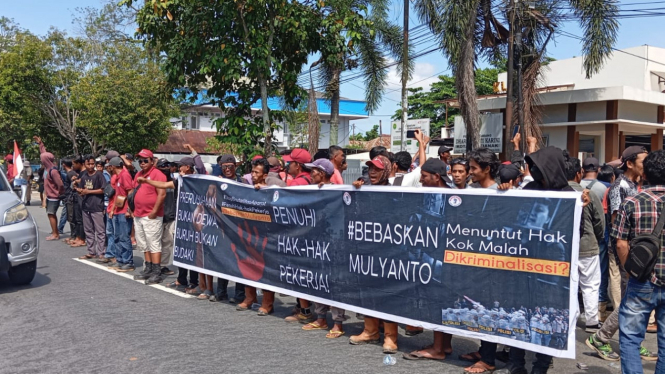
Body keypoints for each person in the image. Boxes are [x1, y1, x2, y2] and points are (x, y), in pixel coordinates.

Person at [494, 146, 576, 374]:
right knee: (519, 312)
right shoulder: (529, 188)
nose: (534, 170)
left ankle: (541, 364)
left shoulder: (570, 196)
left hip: (551, 271)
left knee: (546, 318)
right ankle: (516, 361)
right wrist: (506, 194)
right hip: (521, 266)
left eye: (538, 166)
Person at [587, 146, 657, 362]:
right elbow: (618, 225)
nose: (645, 165)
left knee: (635, 300)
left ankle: (626, 340)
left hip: (640, 254)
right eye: (642, 161)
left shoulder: (635, 185)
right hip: (628, 254)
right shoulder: (620, 187)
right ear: (629, 163)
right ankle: (602, 338)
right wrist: (626, 260)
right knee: (633, 300)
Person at [614, 149, 665, 374]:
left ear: (644, 174)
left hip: (642, 280)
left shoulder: (632, 202)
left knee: (631, 339)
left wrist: (629, 271)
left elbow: (621, 244)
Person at [403, 158, 454, 361]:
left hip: (440, 258)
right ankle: (444, 345)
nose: (421, 180)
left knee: (437, 301)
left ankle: (438, 349)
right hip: (436, 255)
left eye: (424, 177)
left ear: (436, 177)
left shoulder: (449, 196)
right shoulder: (436, 194)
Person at [349, 155, 400, 354]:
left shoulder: (395, 193)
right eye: (370, 168)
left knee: (388, 294)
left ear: (386, 170)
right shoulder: (362, 189)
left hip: (388, 253)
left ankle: (390, 337)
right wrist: (354, 192)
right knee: (366, 289)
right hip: (365, 250)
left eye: (377, 169)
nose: (372, 172)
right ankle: (370, 331)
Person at [460, 148, 501, 374]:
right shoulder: (471, 190)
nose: (470, 172)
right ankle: (483, 350)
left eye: (474, 168)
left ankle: (488, 359)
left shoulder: (503, 192)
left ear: (487, 169)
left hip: (493, 262)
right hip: (475, 259)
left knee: (488, 307)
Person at [297, 158, 347, 338]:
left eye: (314, 171)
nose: (311, 174)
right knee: (317, 279)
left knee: (334, 282)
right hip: (316, 243)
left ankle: (338, 323)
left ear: (323, 174)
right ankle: (320, 318)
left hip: (333, 243)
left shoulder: (337, 190)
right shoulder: (311, 191)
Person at [565, 154, 605, 333]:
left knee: (570, 285)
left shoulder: (559, 193)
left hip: (565, 247)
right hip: (588, 245)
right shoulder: (589, 194)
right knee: (590, 285)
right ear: (579, 173)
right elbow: (599, 222)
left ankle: (571, 319)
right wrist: (599, 238)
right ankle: (591, 321)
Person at [211, 154, 246, 303]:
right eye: (224, 167)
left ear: (235, 166)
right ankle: (221, 292)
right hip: (223, 227)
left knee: (240, 261)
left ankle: (239, 295)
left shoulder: (243, 182)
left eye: (230, 166)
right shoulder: (216, 182)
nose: (227, 169)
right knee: (223, 260)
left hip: (239, 227)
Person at [130, 149, 166, 280]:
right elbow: (134, 191)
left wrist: (154, 212)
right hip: (139, 214)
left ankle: (157, 271)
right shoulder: (139, 174)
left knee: (154, 243)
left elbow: (162, 194)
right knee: (144, 243)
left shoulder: (157, 174)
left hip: (151, 215)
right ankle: (149, 268)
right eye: (140, 161)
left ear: (152, 161)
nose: (142, 163)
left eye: (145, 160)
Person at [105, 156, 135, 271]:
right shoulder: (118, 177)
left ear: (113, 166)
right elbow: (118, 195)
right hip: (117, 210)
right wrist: (112, 209)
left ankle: (128, 261)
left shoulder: (125, 175)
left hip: (124, 211)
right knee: (117, 236)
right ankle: (120, 260)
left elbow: (130, 192)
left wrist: (129, 209)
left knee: (124, 237)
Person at [76, 155, 107, 261]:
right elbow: (82, 189)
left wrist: (89, 191)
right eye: (88, 164)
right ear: (84, 164)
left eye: (92, 164)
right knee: (88, 230)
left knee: (100, 231)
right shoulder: (84, 177)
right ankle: (91, 251)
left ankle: (101, 252)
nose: (90, 166)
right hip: (86, 206)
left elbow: (103, 190)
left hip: (97, 206)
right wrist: (80, 191)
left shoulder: (99, 175)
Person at [34, 136, 64, 241]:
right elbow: (44, 153)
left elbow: (60, 184)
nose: (41, 160)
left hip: (54, 196)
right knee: (50, 214)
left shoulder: (53, 171)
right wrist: (40, 144)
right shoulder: (47, 168)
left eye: (42, 159)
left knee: (51, 214)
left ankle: (55, 234)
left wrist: (59, 192)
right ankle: (54, 232)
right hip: (50, 196)